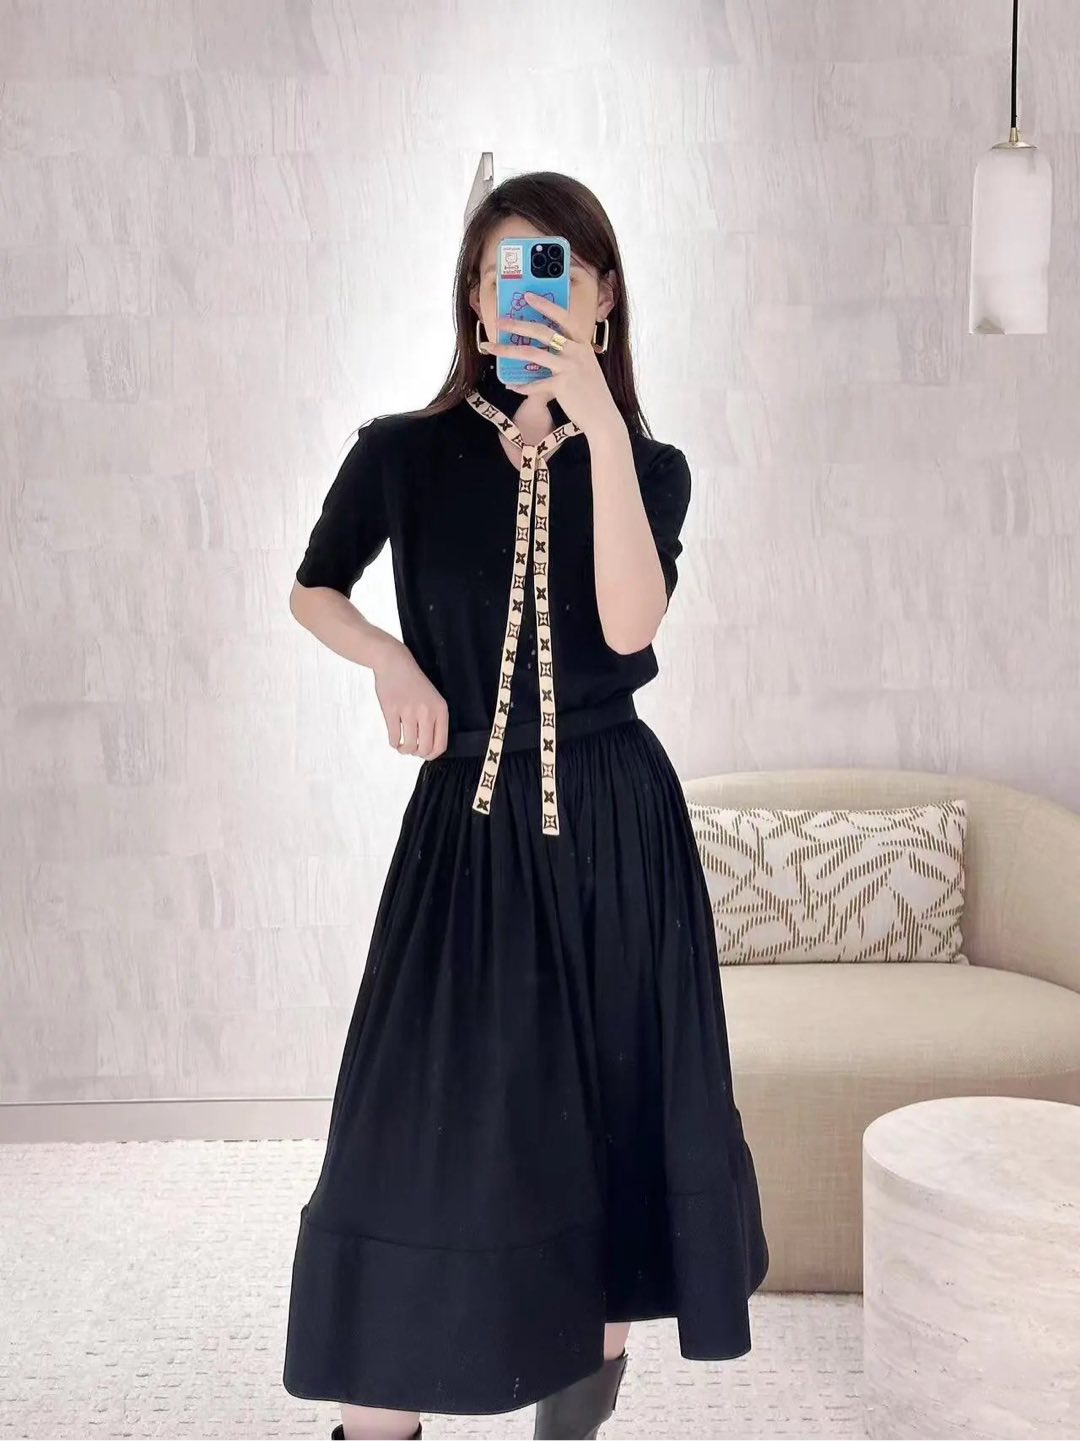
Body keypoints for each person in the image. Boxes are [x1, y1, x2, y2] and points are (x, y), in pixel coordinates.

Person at [281, 171, 769, 1441]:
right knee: (413, 1145)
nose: (523, 293)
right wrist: (390, 660)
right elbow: (314, 587)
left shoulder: (648, 468)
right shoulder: (402, 453)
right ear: (473, 298)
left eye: (552, 268)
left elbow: (631, 624)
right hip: (465, 839)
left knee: (609, 1148)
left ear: (601, 298)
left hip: (616, 834)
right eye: (500, 271)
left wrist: (596, 423)